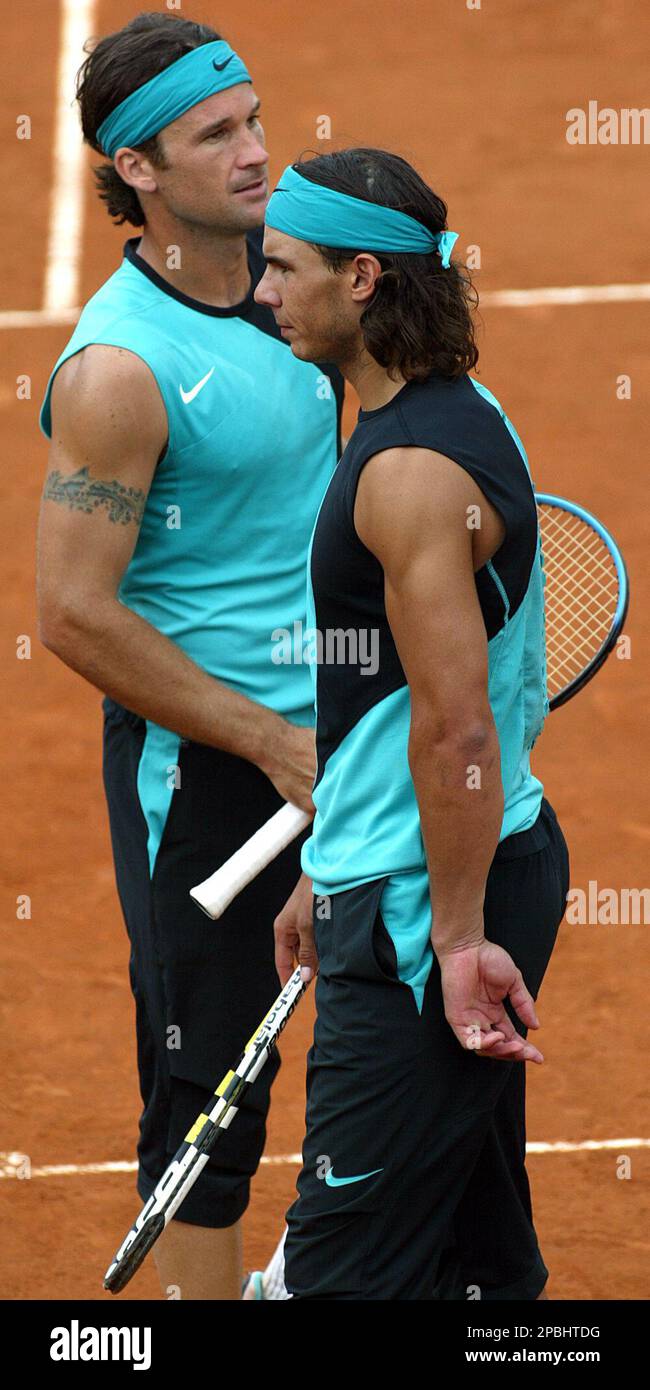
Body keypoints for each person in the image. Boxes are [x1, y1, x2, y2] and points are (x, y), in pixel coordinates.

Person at [36, 12, 343, 1301]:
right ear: (137, 171)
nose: (256, 151)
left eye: (255, 118)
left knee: (415, 1035)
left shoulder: (317, 279)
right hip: (216, 778)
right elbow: (71, 613)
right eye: (214, 135)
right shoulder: (123, 370)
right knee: (212, 1090)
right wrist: (273, 742)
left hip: (358, 730)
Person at [252, 149, 571, 1300]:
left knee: (340, 1281)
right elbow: (389, 708)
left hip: (418, 905)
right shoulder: (446, 409)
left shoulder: (408, 474)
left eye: (285, 268)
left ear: (365, 281)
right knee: (478, 1273)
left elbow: (456, 735)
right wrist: (321, 867)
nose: (262, 290)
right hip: (415, 869)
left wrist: (448, 939)